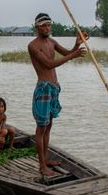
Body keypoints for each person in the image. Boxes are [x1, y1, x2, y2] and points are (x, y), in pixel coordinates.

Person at [28, 13, 88, 176]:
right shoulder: (33, 46)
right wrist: (72, 56)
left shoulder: (52, 42)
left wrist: (77, 44)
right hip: (44, 89)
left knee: (49, 126)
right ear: (37, 27)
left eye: (49, 25)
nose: (47, 28)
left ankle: (45, 158)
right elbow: (49, 64)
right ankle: (42, 166)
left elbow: (68, 52)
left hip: (54, 88)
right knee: (41, 128)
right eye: (44, 25)